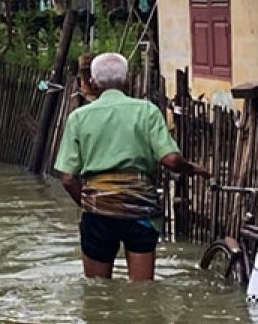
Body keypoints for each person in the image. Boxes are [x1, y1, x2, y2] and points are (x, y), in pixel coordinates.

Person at [54, 52, 209, 281]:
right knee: (142, 291)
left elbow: (68, 178)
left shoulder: (78, 118)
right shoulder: (146, 111)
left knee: (98, 292)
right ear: (128, 80)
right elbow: (171, 160)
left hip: (98, 212)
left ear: (93, 83)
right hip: (140, 209)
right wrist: (194, 169)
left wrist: (90, 204)